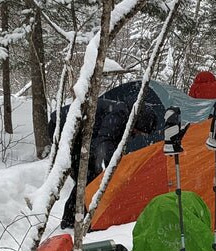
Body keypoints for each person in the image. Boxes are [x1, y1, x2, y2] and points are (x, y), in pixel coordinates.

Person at [49, 97, 158, 229]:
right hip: (63, 127)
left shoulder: (125, 114)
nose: (138, 134)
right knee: (86, 176)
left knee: (88, 176)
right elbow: (104, 141)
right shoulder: (119, 114)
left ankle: (75, 217)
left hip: (75, 130)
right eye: (140, 131)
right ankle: (70, 220)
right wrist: (110, 167)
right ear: (139, 122)